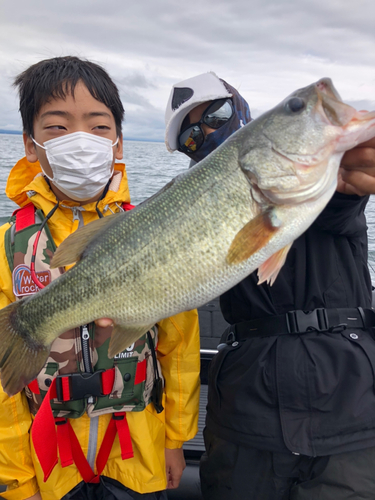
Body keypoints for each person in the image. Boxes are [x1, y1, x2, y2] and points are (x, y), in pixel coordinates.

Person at [165, 72, 375, 499]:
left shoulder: (322, 183)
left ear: (242, 108)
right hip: (248, 412)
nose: (205, 131)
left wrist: (345, 181)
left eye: (217, 114)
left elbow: (339, 203)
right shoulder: (187, 206)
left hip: (349, 408)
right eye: (191, 135)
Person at [0, 56, 200, 500]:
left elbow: (179, 344)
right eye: (56, 127)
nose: (80, 140)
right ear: (30, 145)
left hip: (139, 453)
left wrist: (175, 440)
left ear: (119, 142)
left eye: (98, 126)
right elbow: (3, 387)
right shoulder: (6, 245)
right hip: (47, 461)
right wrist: (18, 479)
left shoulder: (153, 229)